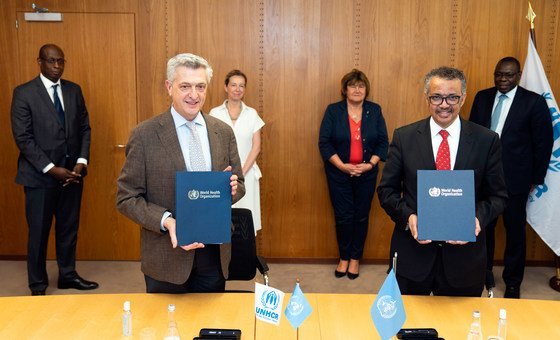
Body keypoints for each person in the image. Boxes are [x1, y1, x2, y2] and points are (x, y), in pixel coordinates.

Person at [116, 53, 245, 294]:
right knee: (167, 327)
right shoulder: (144, 135)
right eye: (185, 86)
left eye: (200, 86)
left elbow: (240, 182)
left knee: (209, 325)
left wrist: (231, 188)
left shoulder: (223, 132)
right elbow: (126, 198)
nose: (193, 95)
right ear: (169, 87)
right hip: (167, 254)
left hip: (213, 253)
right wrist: (167, 221)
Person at [377, 66, 508, 297]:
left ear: (463, 97)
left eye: (452, 97)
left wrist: (477, 218)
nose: (444, 104)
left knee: (459, 328)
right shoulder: (404, 137)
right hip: (412, 256)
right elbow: (386, 191)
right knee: (408, 327)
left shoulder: (486, 140)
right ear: (427, 98)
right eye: (437, 97)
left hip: (465, 261)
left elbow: (498, 197)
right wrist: (408, 216)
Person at [10, 44, 98, 295]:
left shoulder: (73, 90)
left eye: (61, 61)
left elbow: (84, 128)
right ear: (39, 61)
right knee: (38, 232)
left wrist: (82, 161)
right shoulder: (24, 93)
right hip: (39, 177)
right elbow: (23, 138)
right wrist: (50, 168)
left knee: (68, 228)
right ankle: (37, 284)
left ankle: (68, 275)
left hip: (72, 175)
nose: (57, 66)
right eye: (51, 61)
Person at [469, 57, 553, 298]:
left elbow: (543, 142)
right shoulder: (482, 97)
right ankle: (483, 273)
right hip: (483, 178)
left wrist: (535, 178)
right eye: (498, 75)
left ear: (517, 76)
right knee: (483, 228)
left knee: (515, 231)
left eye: (508, 75)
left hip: (515, 180)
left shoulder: (533, 102)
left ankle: (513, 281)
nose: (502, 80)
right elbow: (471, 135)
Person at [319, 69, 389, 280]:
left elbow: (383, 142)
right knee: (343, 217)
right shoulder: (333, 111)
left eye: (361, 86)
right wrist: (342, 166)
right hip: (338, 174)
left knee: (360, 216)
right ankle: (344, 257)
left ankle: (355, 259)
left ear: (366, 89)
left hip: (367, 174)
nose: (357, 89)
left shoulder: (374, 110)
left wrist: (370, 164)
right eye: (352, 85)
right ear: (345, 89)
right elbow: (324, 142)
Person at [209, 70, 265, 234]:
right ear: (226, 87)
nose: (237, 89)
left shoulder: (252, 113)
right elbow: (212, 144)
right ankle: (225, 257)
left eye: (241, 86)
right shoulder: (215, 113)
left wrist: (241, 171)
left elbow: (256, 146)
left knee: (246, 219)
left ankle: (245, 258)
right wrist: (226, 172)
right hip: (223, 174)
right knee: (223, 217)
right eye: (233, 85)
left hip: (247, 173)